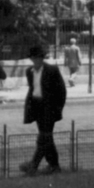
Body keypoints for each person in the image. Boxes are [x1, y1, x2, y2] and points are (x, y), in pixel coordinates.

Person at [20, 41, 67, 176]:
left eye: (38, 58)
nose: (35, 61)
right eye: (33, 58)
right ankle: (54, 166)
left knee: (43, 137)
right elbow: (33, 88)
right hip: (37, 107)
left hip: (49, 109)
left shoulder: (52, 70)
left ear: (42, 58)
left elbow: (61, 91)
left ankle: (33, 165)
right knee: (47, 138)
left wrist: (58, 109)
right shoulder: (29, 71)